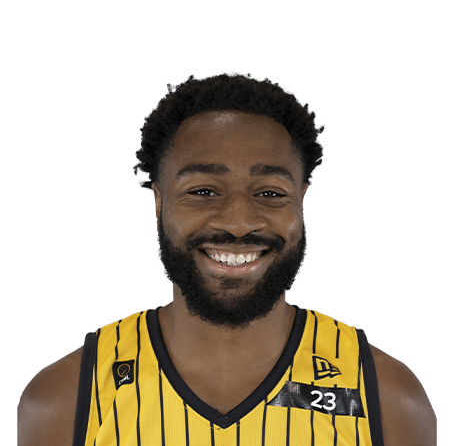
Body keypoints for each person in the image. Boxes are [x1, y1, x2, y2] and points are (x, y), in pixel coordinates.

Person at [18, 72, 436, 446]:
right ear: (159, 201)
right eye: (203, 191)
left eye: (270, 193)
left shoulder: (386, 399)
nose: (238, 222)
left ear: (301, 200)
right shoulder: (66, 400)